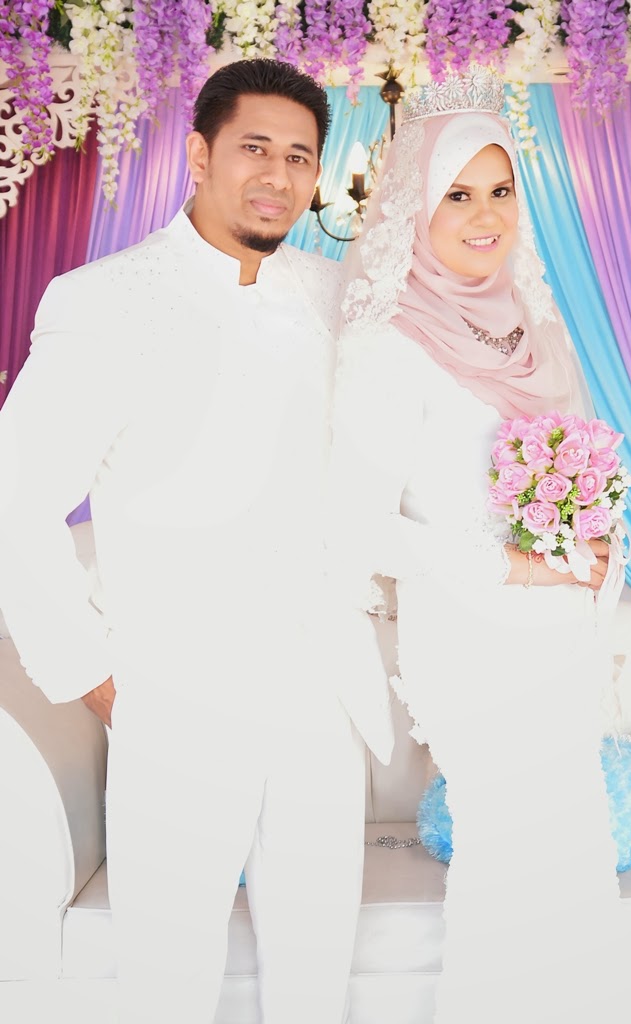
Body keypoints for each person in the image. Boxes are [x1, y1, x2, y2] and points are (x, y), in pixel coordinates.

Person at [0, 59, 393, 1024]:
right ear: (199, 154)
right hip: (175, 699)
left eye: (299, 156)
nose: (278, 175)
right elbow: (16, 499)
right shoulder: (103, 300)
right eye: (255, 148)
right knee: (167, 985)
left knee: (315, 980)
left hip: (320, 696)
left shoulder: (337, 296)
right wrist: (95, 679)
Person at [329, 64, 631, 1023]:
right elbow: (355, 522)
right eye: (456, 195)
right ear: (415, 207)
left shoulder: (534, 328)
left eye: (499, 190)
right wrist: (513, 563)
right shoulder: (389, 343)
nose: (484, 216)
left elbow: (578, 471)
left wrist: (595, 550)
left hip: (558, 645)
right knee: (510, 868)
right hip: (472, 642)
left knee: (570, 862)